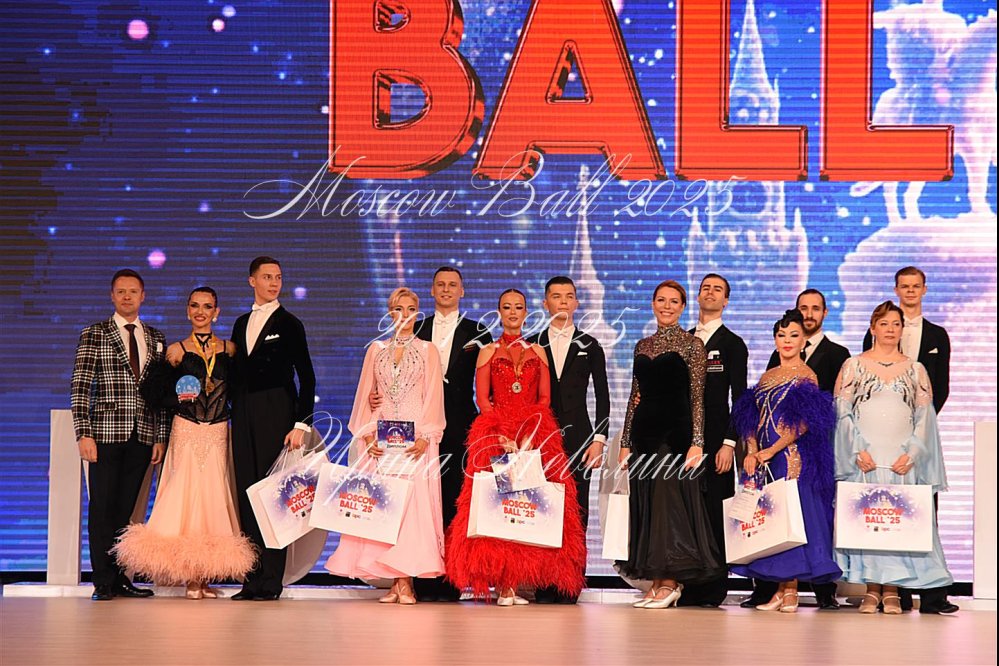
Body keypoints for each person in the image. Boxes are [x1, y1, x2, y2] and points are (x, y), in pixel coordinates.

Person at [445, 289, 587, 606]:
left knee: (529, 507)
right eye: (506, 307)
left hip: (534, 435)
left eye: (518, 307)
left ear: (526, 313)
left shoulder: (538, 351)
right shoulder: (487, 351)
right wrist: (500, 434)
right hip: (496, 435)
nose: (512, 312)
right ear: (499, 312)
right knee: (497, 508)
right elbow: (483, 400)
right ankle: (503, 585)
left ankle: (519, 581)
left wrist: (530, 434)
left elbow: (544, 399)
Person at [112, 287, 255, 598]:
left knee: (213, 497)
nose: (201, 312)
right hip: (186, 429)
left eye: (207, 306)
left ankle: (203, 575)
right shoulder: (175, 350)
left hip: (218, 431)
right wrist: (178, 397)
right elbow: (152, 393)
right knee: (184, 495)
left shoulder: (230, 349)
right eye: (195, 306)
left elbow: (241, 389)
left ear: (216, 312)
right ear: (188, 311)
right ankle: (190, 577)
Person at [326, 288, 446, 605]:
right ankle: (396, 582)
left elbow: (433, 397)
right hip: (381, 441)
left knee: (410, 510)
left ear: (418, 313)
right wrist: (367, 435)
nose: (404, 315)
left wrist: (426, 436)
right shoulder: (375, 350)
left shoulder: (428, 350)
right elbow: (365, 396)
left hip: (414, 441)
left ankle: (406, 582)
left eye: (411, 309)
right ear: (389, 313)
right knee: (385, 509)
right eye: (398, 309)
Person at [834, 301, 955, 614]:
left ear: (903, 329)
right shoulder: (853, 365)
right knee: (869, 523)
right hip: (866, 458)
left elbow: (924, 417)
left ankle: (892, 591)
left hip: (900, 460)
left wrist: (912, 453)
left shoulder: (916, 369)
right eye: (884, 324)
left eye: (896, 324)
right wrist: (856, 449)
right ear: (873, 328)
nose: (890, 329)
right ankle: (872, 590)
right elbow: (842, 411)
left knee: (898, 523)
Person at [616, 280, 725, 609]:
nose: (667, 306)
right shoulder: (642, 345)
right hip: (644, 437)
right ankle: (656, 581)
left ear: (682, 307)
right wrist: (625, 441)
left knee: (669, 510)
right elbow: (634, 397)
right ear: (653, 304)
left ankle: (671, 582)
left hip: (674, 438)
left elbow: (697, 398)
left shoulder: (692, 345)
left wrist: (696, 442)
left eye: (673, 301)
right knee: (648, 508)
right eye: (661, 300)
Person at [732, 309, 841, 612]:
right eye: (782, 335)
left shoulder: (806, 375)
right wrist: (752, 450)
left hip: (791, 457)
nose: (787, 341)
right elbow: (751, 419)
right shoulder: (767, 376)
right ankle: (780, 590)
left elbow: (804, 422)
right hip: (764, 461)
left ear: (804, 340)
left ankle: (791, 590)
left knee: (793, 518)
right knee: (773, 521)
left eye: (794, 335)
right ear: (775, 340)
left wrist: (772, 449)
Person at [70, 269, 168, 601]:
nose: (127, 297)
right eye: (121, 291)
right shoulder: (95, 333)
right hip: (105, 434)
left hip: (142, 434)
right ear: (112, 296)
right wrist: (83, 433)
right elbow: (81, 386)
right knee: (102, 508)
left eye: (133, 291)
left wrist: (160, 435)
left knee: (127, 511)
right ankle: (102, 581)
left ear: (143, 296)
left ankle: (120, 577)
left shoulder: (155, 337)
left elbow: (160, 393)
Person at [229, 256, 316, 601]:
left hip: (277, 410)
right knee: (247, 493)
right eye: (267, 277)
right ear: (252, 280)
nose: (274, 283)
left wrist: (301, 423)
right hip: (243, 413)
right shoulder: (240, 323)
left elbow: (307, 377)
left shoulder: (290, 323)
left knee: (272, 495)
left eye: (278, 277)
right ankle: (250, 578)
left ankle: (271, 580)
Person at [403, 266, 490, 602]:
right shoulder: (417, 328)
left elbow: (488, 382)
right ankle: (423, 578)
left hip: (459, 425)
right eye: (440, 284)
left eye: (453, 285)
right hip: (418, 429)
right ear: (432, 290)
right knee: (421, 501)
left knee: (454, 499)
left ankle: (453, 578)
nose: (446, 289)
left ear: (462, 291)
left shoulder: (477, 331)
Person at [529, 276, 610, 604]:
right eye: (556, 296)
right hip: (541, 437)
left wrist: (599, 439)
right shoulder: (532, 344)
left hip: (580, 437)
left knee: (577, 510)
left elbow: (602, 396)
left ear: (577, 303)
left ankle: (570, 581)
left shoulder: (590, 345)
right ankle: (543, 580)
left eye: (569, 296)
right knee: (542, 505)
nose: (563, 301)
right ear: (545, 303)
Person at [679, 273, 748, 608]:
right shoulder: (683, 340)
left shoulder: (733, 344)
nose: (710, 292)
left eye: (717, 289)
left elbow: (740, 398)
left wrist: (729, 443)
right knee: (685, 512)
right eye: (705, 287)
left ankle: (714, 585)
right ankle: (687, 582)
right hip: (682, 443)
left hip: (717, 443)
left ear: (726, 301)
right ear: (697, 296)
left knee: (715, 512)